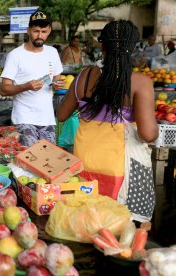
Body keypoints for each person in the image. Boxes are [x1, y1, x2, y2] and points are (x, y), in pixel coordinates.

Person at [56, 20, 158, 221]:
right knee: (116, 227)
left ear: (102, 46)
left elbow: (61, 115)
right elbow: (147, 134)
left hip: (84, 167)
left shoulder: (84, 77)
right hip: (120, 172)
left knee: (87, 221)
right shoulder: (140, 83)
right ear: (133, 47)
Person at [0, 10, 64, 147]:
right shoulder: (15, 55)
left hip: (47, 119)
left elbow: (56, 79)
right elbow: (4, 89)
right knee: (30, 161)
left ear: (49, 31)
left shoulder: (52, 52)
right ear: (28, 30)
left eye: (44, 31)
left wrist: (56, 84)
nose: (40, 36)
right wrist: (26, 86)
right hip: (24, 118)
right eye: (36, 31)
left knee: (48, 160)